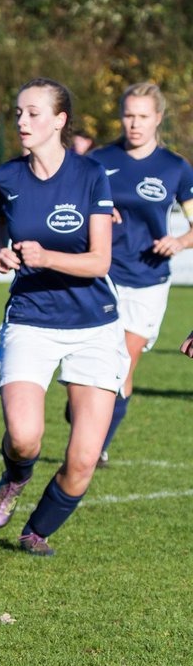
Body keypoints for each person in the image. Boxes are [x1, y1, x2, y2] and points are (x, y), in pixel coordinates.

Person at [0, 78, 127, 556]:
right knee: (24, 439)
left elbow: (100, 262)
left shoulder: (92, 175)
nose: (22, 122)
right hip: (30, 318)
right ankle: (14, 477)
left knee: (84, 458)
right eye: (18, 113)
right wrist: (1, 251)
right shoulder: (6, 176)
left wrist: (45, 257)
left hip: (94, 324)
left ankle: (36, 531)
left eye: (33, 113)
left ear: (60, 120)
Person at [82, 83, 193, 464]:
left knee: (122, 365)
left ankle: (97, 443)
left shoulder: (175, 168)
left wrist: (179, 242)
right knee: (94, 365)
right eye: (129, 115)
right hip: (102, 274)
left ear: (158, 118)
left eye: (143, 116)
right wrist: (94, 214)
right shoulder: (99, 160)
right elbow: (72, 210)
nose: (135, 123)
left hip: (148, 280)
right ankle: (88, 423)